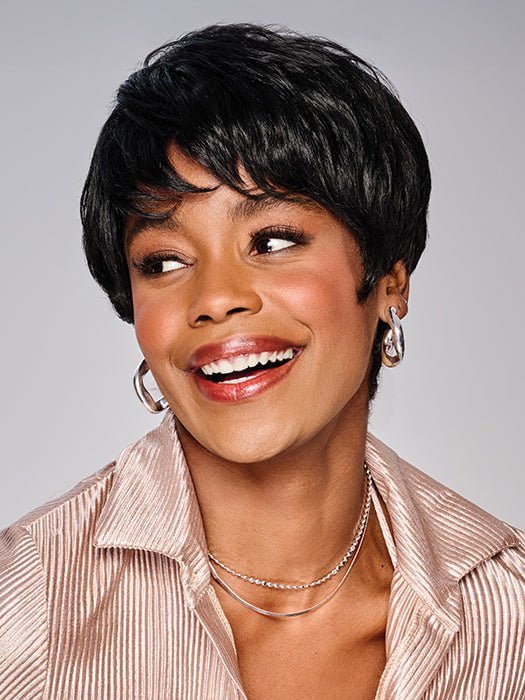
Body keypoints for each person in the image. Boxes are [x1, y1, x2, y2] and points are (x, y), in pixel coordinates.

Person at [0, 22, 523, 700]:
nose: (215, 299)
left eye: (272, 241)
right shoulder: (26, 607)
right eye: (164, 262)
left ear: (389, 279)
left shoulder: (506, 611)